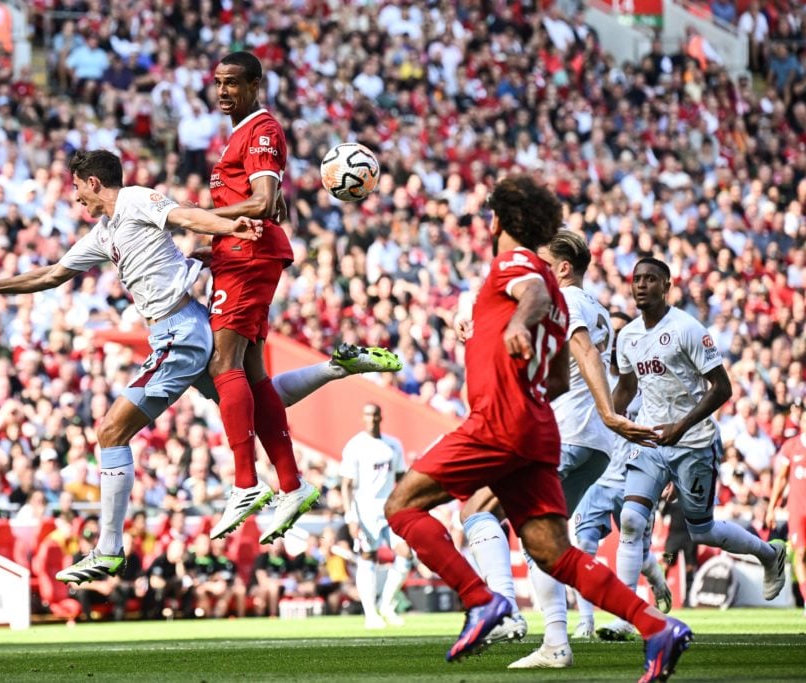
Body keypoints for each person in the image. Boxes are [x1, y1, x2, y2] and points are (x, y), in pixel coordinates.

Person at [0, 150, 396, 585]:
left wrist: (227, 225)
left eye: (77, 191)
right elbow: (51, 275)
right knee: (254, 403)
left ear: (92, 183)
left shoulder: (135, 199)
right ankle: (335, 368)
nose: (76, 200)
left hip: (178, 333)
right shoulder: (105, 233)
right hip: (186, 329)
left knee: (110, 432)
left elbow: (184, 216)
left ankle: (108, 548)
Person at [382, 175, 691, 682]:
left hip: (499, 423)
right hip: (538, 427)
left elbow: (529, 297)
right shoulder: (555, 286)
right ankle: (655, 627)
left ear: (499, 221)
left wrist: (518, 324)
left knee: (401, 506)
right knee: (553, 551)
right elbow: (551, 376)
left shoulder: (517, 266)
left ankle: (482, 600)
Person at [205, 51, 399, 545]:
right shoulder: (241, 132)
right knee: (250, 372)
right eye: (219, 83)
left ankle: (246, 483)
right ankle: (290, 485)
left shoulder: (262, 128)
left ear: (255, 84)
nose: (223, 91)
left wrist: (194, 217)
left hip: (247, 257)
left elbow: (265, 200)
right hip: (239, 254)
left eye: (232, 83)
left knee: (221, 362)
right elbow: (265, 199)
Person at [490, 230, 659, 669]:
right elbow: (623, 375)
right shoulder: (601, 309)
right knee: (543, 541)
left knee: (482, 508)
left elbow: (582, 351)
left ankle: (504, 613)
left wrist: (605, 412)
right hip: (593, 444)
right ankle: (598, 629)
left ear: (563, 268)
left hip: (568, 434)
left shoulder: (573, 303)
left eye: (544, 262)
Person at [606, 257, 787, 639]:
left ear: (666, 285)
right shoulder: (628, 337)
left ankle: (770, 554)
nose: (641, 285)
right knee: (632, 520)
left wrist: (681, 425)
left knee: (701, 531)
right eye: (636, 278)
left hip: (694, 442)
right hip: (652, 440)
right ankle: (623, 615)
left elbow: (722, 388)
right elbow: (626, 387)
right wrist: (607, 415)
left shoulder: (687, 328)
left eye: (650, 279)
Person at [569, 311, 671, 641]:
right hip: (595, 479)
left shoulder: (645, 384)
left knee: (638, 554)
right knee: (582, 546)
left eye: (618, 334)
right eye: (608, 334)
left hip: (632, 476)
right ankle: (585, 621)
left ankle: (654, 578)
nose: (610, 342)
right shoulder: (587, 376)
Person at [339, 402, 412, 629]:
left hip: (390, 508)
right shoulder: (355, 445)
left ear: (381, 417)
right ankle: (370, 614)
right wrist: (351, 516)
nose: (372, 419)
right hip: (365, 509)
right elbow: (346, 485)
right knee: (368, 556)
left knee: (406, 554)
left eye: (375, 415)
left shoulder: (393, 445)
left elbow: (402, 477)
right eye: (368, 415)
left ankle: (386, 605)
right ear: (363, 418)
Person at [766, 427, 806, 614]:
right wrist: (771, 507)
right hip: (797, 510)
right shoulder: (792, 446)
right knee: (801, 553)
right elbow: (781, 479)